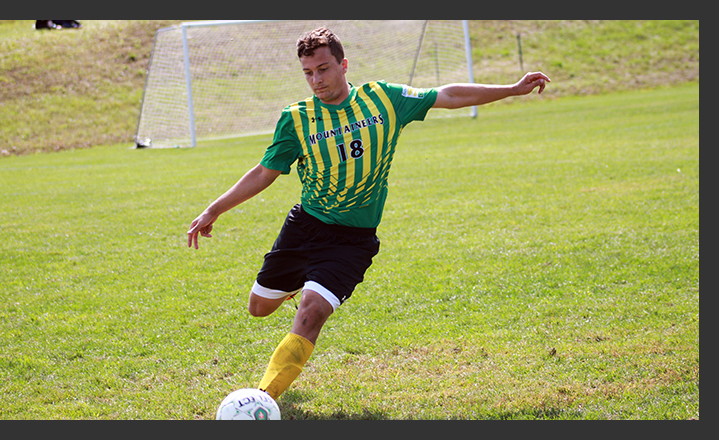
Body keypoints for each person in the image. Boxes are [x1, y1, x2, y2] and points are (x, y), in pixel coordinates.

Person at [187, 27, 550, 400]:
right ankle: (302, 281)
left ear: (344, 65)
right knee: (259, 309)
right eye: (308, 73)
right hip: (306, 227)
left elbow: (448, 94)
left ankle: (262, 400)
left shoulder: (383, 99)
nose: (317, 80)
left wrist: (511, 88)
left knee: (310, 314)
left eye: (324, 69)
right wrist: (215, 208)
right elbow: (266, 172)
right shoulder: (296, 119)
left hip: (352, 241)